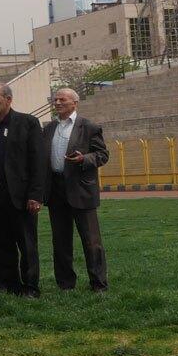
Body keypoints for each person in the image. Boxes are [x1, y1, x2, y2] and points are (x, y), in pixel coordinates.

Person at [0, 82, 46, 297]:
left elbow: (38, 161)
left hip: (20, 195)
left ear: (8, 99)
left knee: (26, 243)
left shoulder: (27, 122)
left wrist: (35, 195)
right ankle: (9, 282)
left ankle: (30, 285)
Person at [42, 87, 109, 291]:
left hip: (81, 189)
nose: (57, 103)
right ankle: (65, 283)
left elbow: (102, 155)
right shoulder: (49, 128)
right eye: (55, 99)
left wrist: (84, 159)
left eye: (62, 99)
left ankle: (98, 283)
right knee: (60, 240)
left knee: (91, 240)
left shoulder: (88, 127)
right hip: (56, 189)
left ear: (75, 103)